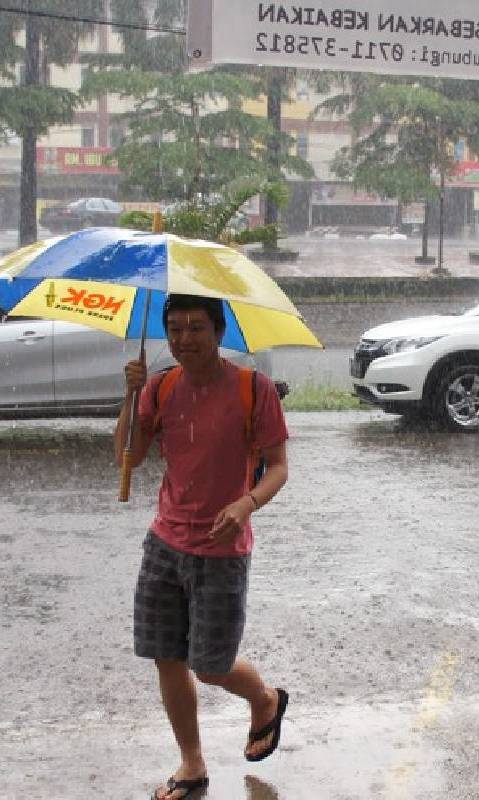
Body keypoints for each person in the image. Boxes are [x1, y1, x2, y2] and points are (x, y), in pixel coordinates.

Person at [115, 293, 291, 800]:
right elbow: (129, 455)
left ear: (218, 331)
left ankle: (265, 698)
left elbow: (278, 466)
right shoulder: (161, 386)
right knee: (166, 656)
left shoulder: (251, 390)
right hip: (165, 542)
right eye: (174, 328)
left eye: (195, 327)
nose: (183, 338)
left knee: (210, 665)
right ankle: (191, 763)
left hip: (223, 548)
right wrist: (129, 399)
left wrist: (246, 504)